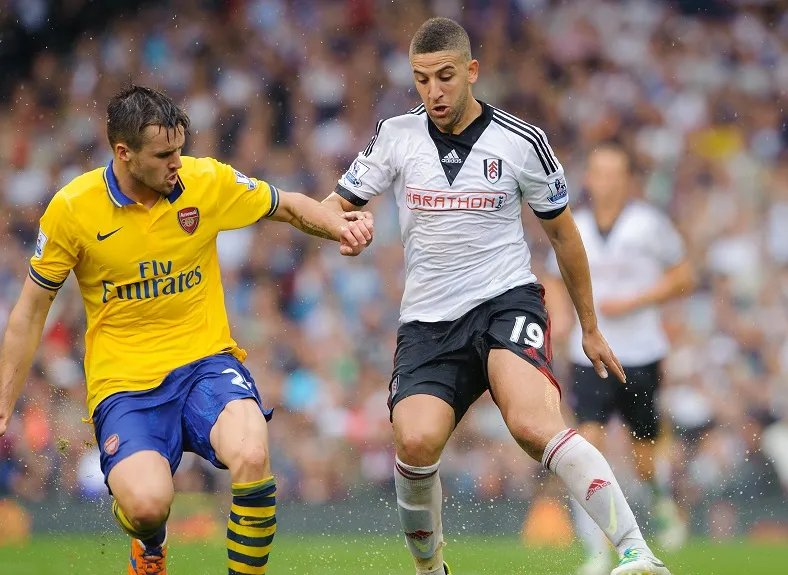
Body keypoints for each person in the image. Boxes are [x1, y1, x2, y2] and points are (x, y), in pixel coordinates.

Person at [322, 17, 671, 575]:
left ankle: (637, 552)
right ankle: (430, 569)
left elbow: (563, 235)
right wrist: (340, 227)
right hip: (429, 321)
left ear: (471, 71)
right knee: (414, 443)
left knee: (535, 425)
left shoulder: (522, 140)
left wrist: (591, 325)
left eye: (445, 76)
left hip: (505, 301)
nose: (434, 91)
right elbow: (332, 206)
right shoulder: (395, 136)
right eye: (421, 79)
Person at [0, 85, 373, 575]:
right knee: (149, 505)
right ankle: (147, 538)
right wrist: (3, 405)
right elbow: (30, 312)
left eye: (180, 149)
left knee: (252, 452)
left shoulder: (204, 181)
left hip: (206, 365)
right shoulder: (73, 210)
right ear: (124, 153)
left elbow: (286, 206)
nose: (178, 163)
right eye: (164, 155)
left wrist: (337, 226)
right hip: (126, 386)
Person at [544, 142, 696, 575]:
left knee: (643, 456)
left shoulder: (650, 226)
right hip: (589, 355)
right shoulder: (574, 225)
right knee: (584, 449)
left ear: (628, 180)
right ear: (588, 178)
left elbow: (684, 275)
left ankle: (660, 498)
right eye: (598, 172)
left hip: (640, 355)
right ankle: (596, 552)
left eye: (614, 173)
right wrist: (560, 318)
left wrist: (636, 300)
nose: (605, 181)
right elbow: (554, 278)